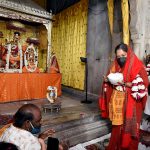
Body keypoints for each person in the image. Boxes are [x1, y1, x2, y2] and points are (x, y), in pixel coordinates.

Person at [99, 43, 149, 150]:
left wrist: (125, 83)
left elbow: (144, 83)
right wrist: (107, 80)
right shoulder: (115, 65)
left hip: (132, 103)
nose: (121, 58)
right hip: (117, 102)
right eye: (118, 56)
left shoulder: (137, 65)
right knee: (117, 127)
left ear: (129, 54)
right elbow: (110, 79)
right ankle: (116, 145)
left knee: (129, 128)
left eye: (123, 55)